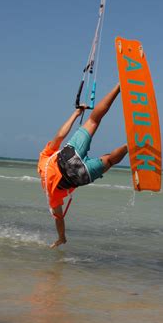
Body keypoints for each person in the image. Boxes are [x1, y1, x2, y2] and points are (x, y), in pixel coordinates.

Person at [38, 83, 128, 248]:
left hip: (77, 176)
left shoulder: (52, 196)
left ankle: (131, 145)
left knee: (109, 160)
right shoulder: (43, 159)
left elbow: (59, 219)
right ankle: (118, 87)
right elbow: (60, 136)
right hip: (67, 156)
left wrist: (61, 238)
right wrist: (76, 113)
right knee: (94, 120)